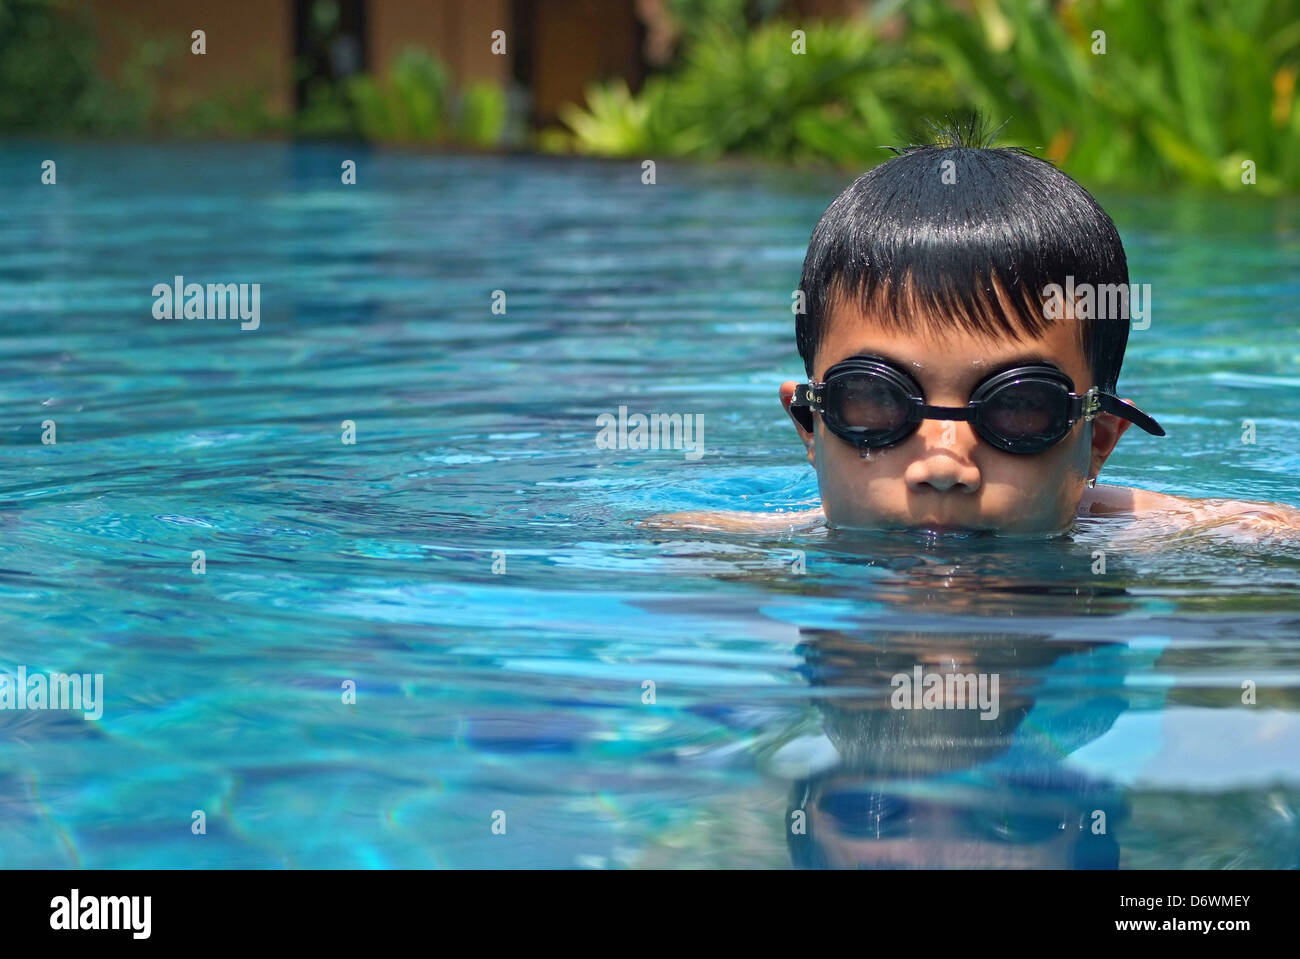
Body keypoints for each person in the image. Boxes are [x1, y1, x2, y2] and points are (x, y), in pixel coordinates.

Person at [645, 118, 1300, 537]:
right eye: (874, 401)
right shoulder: (724, 550)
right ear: (811, 424)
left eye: (1018, 408)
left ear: (1096, 441)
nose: (943, 465)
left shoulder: (1186, 545)